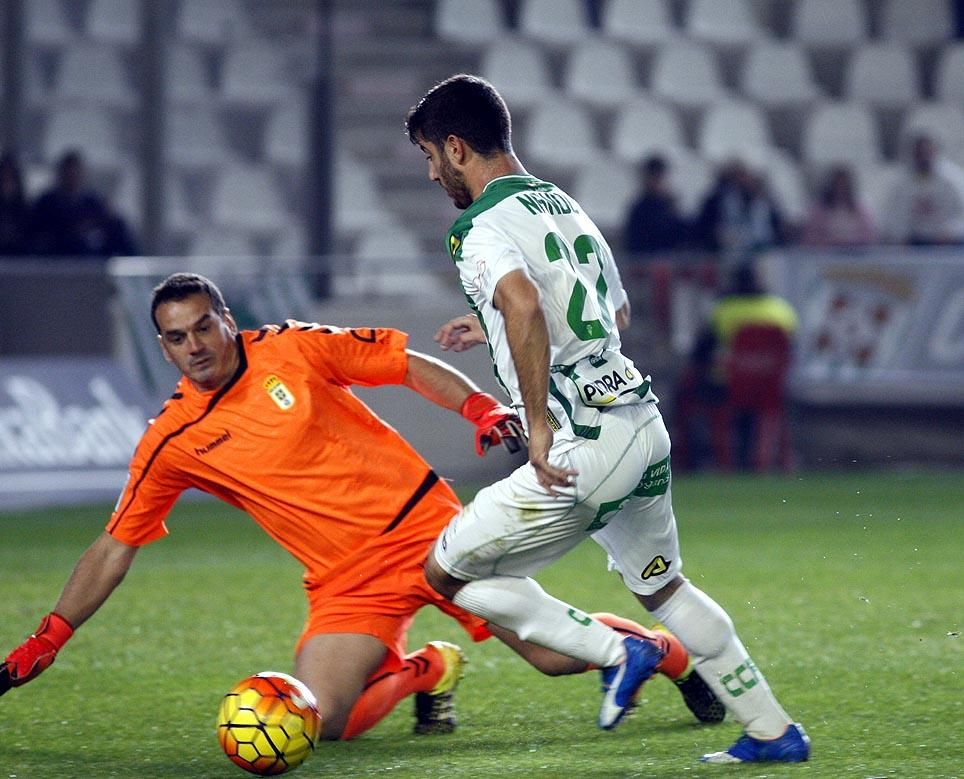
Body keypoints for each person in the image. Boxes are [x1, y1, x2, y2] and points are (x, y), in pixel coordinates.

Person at [0, 273, 722, 742]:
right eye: (177, 337)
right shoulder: (173, 439)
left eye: (203, 327)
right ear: (162, 346)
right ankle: (429, 668)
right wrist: (50, 635)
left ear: (227, 318)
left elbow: (404, 362)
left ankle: (673, 653)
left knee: (549, 656)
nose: (195, 346)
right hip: (346, 581)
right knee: (321, 721)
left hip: (432, 533)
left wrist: (476, 404)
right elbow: (113, 546)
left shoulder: (293, 349)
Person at [405, 74, 809, 764]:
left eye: (430, 157)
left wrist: (534, 422)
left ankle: (617, 650)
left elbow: (526, 303)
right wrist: (493, 326)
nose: (432, 172)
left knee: (446, 574)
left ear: (455, 146)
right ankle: (774, 729)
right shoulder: (563, 202)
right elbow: (610, 312)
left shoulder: (474, 226)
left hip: (579, 444)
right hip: (639, 422)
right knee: (661, 583)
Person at [678, 264, 799, 472]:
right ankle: (774, 461)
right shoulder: (782, 310)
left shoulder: (724, 309)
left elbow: (701, 352)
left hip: (729, 386)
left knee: (688, 390)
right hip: (771, 387)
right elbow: (790, 348)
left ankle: (700, 461)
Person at [29, 149, 138, 257]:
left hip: (89, 266)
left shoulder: (95, 205)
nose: (72, 177)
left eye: (76, 172)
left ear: (83, 174)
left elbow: (114, 234)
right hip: (54, 265)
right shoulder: (46, 204)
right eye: (68, 172)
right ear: (60, 174)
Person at [694, 159, 786, 265]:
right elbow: (707, 227)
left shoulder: (765, 202)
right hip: (727, 256)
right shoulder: (719, 200)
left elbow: (775, 227)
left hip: (761, 256)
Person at [880, 134, 964, 245]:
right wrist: (901, 236)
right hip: (914, 244)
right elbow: (894, 217)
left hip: (948, 243)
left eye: (927, 152)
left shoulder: (952, 180)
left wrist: (950, 232)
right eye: (919, 154)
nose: (923, 157)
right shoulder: (902, 184)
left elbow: (960, 215)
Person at [622, 154, 690, 255]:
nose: (658, 181)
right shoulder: (639, 209)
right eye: (654, 176)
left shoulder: (668, 206)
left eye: (660, 177)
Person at [801, 166, 877, 247]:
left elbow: (869, 235)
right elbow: (811, 237)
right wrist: (832, 242)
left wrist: (851, 243)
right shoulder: (820, 210)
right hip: (826, 254)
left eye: (844, 185)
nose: (841, 188)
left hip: (854, 253)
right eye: (838, 185)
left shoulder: (859, 209)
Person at [0, 153, 31, 256]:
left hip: (19, 257)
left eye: (10, 177)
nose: (7, 181)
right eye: (4, 177)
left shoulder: (24, 207)